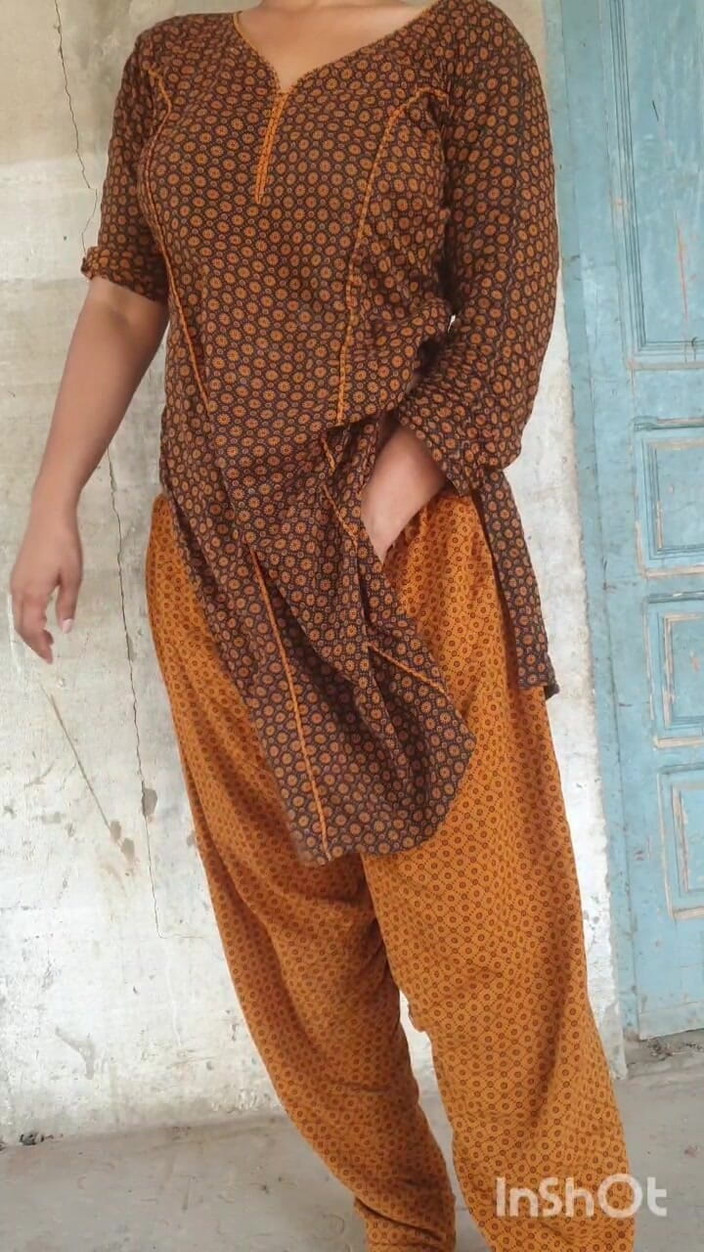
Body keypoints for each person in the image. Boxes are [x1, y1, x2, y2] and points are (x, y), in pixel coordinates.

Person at [10, 1, 636, 1247]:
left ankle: (562, 1234)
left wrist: (368, 519)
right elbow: (127, 295)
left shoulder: (466, 48)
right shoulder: (174, 62)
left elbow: (504, 321)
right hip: (216, 565)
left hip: (410, 560)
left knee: (490, 943)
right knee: (301, 946)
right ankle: (399, 1220)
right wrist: (50, 504)